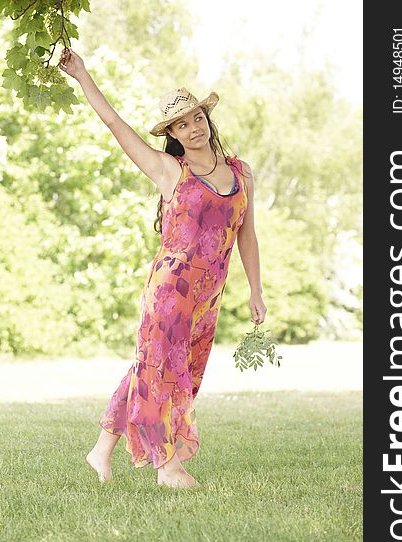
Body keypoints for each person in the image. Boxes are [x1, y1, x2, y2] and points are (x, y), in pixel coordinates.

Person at [58, 48, 267, 488]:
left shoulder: (240, 172)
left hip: (208, 295)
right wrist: (82, 76)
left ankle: (101, 450)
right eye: (181, 124)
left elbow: (246, 234)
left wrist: (256, 290)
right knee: (161, 369)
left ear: (207, 120)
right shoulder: (169, 169)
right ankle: (166, 466)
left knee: (171, 369)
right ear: (171, 133)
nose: (192, 128)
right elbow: (116, 125)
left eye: (196, 118)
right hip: (170, 289)